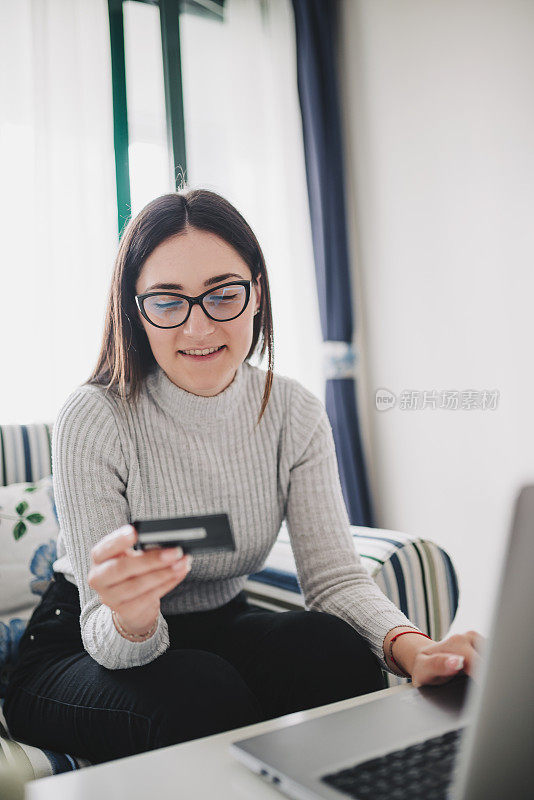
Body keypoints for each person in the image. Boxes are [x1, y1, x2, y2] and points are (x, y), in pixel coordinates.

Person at [4, 189, 483, 765]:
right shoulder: (95, 416)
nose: (199, 327)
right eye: (167, 302)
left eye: (223, 295)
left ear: (257, 292)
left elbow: (335, 581)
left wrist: (414, 649)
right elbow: (108, 640)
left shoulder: (293, 411)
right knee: (199, 692)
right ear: (135, 310)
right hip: (83, 644)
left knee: (332, 649)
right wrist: (132, 615)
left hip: (218, 626)